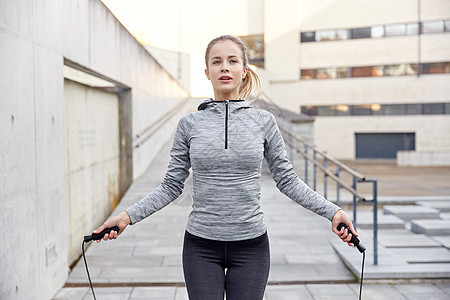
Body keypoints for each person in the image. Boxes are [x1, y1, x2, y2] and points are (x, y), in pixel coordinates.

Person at [94, 34, 358, 300]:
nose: (225, 67)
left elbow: (287, 180)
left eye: (232, 61)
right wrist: (127, 217)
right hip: (200, 247)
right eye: (217, 61)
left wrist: (332, 211)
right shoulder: (189, 124)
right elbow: (171, 187)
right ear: (207, 72)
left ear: (244, 71)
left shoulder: (264, 121)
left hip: (251, 247)